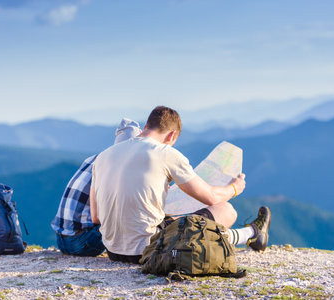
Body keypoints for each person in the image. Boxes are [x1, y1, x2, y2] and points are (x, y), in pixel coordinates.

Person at [91, 106, 271, 264]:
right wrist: (234, 188)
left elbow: (96, 217)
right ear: (172, 135)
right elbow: (210, 197)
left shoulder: (102, 157)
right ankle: (252, 233)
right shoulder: (165, 153)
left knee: (174, 219)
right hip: (148, 250)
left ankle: (253, 235)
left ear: (144, 128)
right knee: (226, 210)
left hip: (113, 251)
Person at [51, 118, 142, 256]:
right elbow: (97, 218)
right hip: (82, 243)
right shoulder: (115, 166)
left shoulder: (94, 158)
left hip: (61, 239)